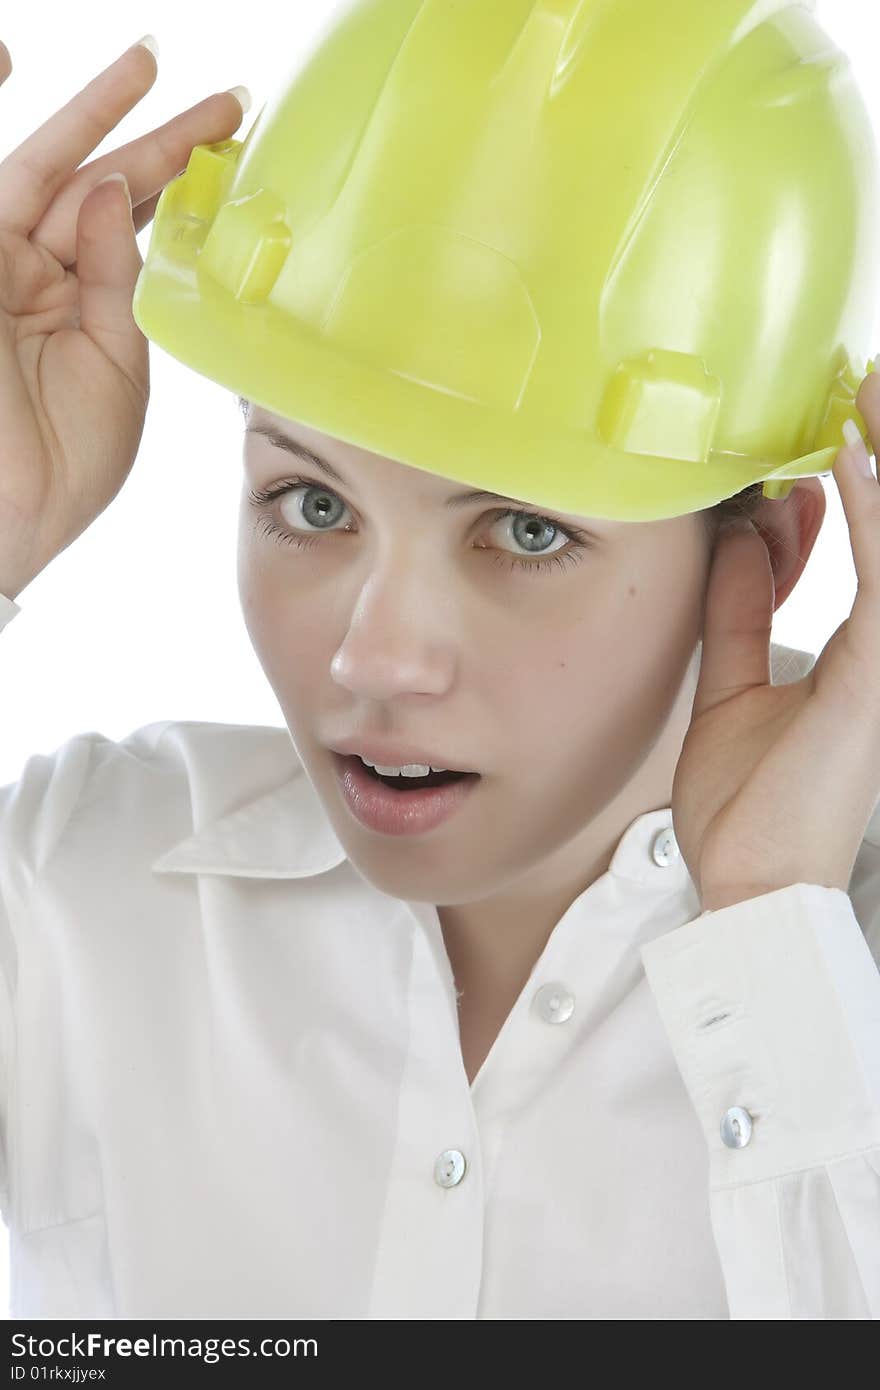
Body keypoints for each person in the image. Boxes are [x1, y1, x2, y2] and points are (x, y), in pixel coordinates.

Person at [0, 19, 879, 1323]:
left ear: (762, 552)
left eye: (525, 530)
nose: (372, 655)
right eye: (310, 500)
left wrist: (769, 929)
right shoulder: (84, 892)